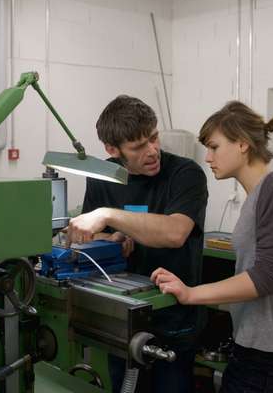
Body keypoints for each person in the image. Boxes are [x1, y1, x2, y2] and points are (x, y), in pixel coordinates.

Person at [151, 101, 273, 392]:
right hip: (249, 347)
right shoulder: (261, 196)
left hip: (267, 357)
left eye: (214, 147)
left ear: (242, 144)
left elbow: (267, 277)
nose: (207, 157)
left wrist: (191, 294)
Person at [67, 95, 208, 393]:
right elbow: (87, 236)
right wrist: (111, 237)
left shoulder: (185, 174)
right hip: (120, 317)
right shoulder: (103, 176)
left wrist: (108, 216)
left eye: (153, 138)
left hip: (172, 320)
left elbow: (175, 232)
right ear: (112, 149)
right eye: (138, 147)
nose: (152, 150)